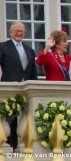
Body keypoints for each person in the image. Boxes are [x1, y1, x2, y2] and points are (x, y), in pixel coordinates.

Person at [0, 21, 38, 150]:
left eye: (21, 31)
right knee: (9, 122)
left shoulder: (30, 50)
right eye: (16, 30)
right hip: (9, 90)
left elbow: (33, 74)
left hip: (26, 92)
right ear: (10, 32)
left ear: (25, 33)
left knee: (24, 122)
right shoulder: (3, 47)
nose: (19, 33)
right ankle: (9, 148)